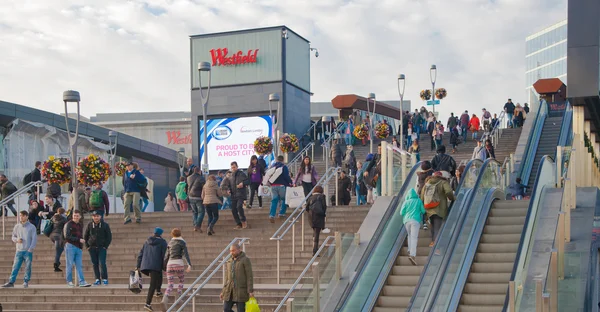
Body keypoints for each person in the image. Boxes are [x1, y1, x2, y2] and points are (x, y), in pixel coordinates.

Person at [1, 211, 36, 288]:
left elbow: (34, 239)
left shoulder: (32, 227)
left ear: (27, 216)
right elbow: (13, 236)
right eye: (20, 216)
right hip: (19, 250)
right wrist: (17, 240)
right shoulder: (17, 226)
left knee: (28, 267)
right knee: (15, 266)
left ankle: (26, 281)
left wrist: (31, 249)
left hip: (27, 251)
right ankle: (11, 282)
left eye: (23, 216)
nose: (21, 217)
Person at [420, 172, 456, 246]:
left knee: (433, 225)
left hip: (428, 208)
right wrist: (452, 198)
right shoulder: (443, 182)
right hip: (439, 208)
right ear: (440, 176)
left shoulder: (427, 183)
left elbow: (422, 197)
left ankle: (433, 242)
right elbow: (449, 191)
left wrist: (424, 208)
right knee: (438, 226)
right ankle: (437, 246)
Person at [137, 227, 168, 312]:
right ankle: (147, 303)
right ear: (161, 234)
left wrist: (138, 265)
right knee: (152, 284)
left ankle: (158, 291)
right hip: (156, 265)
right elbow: (164, 255)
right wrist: (164, 266)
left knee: (159, 276)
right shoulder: (162, 242)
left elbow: (141, 253)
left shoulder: (147, 241)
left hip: (147, 264)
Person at [161, 228, 192, 310]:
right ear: (180, 234)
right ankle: (178, 296)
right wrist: (189, 265)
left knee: (170, 283)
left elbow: (167, 256)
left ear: (172, 235)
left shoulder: (170, 243)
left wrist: (164, 268)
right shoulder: (182, 242)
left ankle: (165, 298)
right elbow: (186, 254)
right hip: (178, 263)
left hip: (170, 264)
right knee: (181, 280)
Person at [220, 243, 254, 312]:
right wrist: (223, 291)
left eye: (233, 250)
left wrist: (250, 290)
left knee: (241, 310)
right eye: (230, 251)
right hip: (230, 291)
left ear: (239, 250)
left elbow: (249, 275)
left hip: (241, 291)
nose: (231, 252)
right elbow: (226, 277)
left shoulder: (245, 260)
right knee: (226, 309)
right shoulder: (229, 261)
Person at [64, 210, 92, 287]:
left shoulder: (80, 225)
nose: (76, 217)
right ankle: (69, 281)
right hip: (70, 246)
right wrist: (78, 240)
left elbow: (80, 235)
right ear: (72, 216)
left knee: (79, 265)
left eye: (77, 216)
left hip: (78, 247)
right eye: (74, 215)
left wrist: (81, 245)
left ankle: (82, 281)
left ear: (80, 216)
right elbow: (67, 236)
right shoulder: (69, 224)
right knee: (69, 264)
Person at [84, 210, 112, 286]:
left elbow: (109, 237)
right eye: (94, 216)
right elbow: (86, 236)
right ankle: (97, 279)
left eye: (97, 216)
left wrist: (105, 246)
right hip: (92, 247)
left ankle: (104, 278)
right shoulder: (90, 225)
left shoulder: (105, 225)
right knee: (94, 264)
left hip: (101, 247)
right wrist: (87, 246)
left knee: (102, 263)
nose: (96, 217)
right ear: (92, 217)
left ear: (100, 216)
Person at [221, 161, 250, 229]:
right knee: (233, 210)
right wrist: (228, 190)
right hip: (233, 195)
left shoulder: (241, 174)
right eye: (232, 168)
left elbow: (248, 181)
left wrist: (242, 183)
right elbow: (227, 185)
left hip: (241, 194)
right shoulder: (230, 176)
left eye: (234, 167)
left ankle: (243, 221)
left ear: (237, 167)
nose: (233, 169)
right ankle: (238, 223)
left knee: (239, 206)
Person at [400, 188, 426, 265]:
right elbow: (423, 211)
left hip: (406, 221)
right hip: (415, 220)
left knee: (410, 235)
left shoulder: (406, 202)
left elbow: (401, 213)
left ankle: (409, 249)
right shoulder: (418, 201)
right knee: (414, 237)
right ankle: (412, 255)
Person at [267, 156, 293, 223]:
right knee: (284, 199)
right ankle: (281, 213)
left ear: (276, 160)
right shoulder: (284, 167)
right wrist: (290, 182)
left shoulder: (272, 167)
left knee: (274, 201)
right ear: (283, 160)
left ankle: (272, 215)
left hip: (273, 186)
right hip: (281, 185)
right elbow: (286, 176)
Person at [305, 185, 327, 255]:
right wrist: (322, 213)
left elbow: (306, 208)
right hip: (319, 216)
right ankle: (315, 250)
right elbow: (324, 206)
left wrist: (311, 212)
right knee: (317, 233)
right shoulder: (322, 197)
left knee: (315, 232)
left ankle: (315, 248)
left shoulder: (311, 197)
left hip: (311, 217)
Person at [187, 167, 206, 231]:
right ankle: (197, 225)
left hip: (190, 197)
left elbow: (187, 187)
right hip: (198, 197)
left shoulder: (188, 178)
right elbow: (204, 188)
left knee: (194, 212)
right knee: (201, 212)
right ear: (199, 171)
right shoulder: (201, 178)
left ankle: (195, 225)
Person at [49, 208, 67, 272]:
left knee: (59, 249)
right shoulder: (64, 219)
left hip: (52, 236)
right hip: (58, 236)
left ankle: (57, 262)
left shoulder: (53, 218)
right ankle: (56, 265)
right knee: (58, 251)